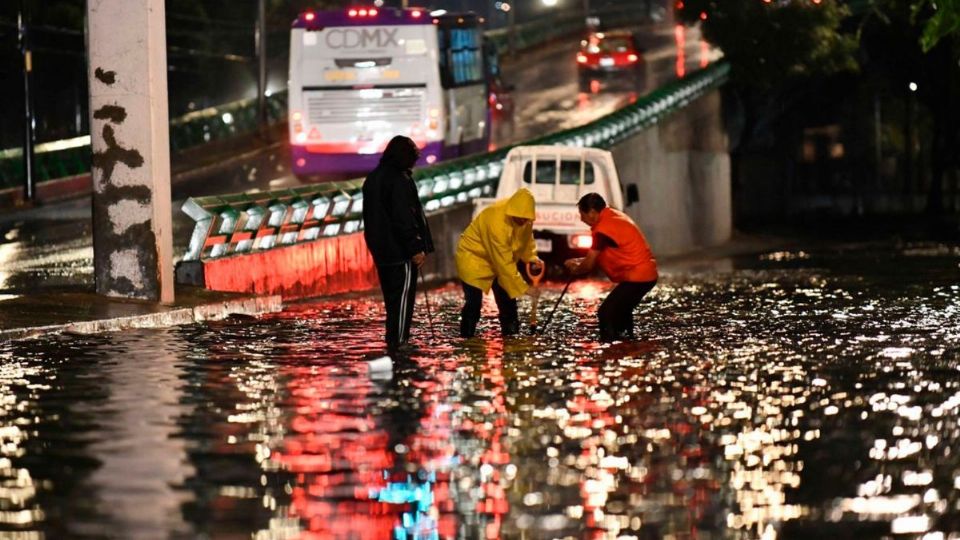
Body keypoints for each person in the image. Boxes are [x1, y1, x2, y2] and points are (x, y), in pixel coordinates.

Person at [362, 135, 435, 350]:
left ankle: (392, 340)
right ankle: (399, 342)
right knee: (403, 300)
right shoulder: (399, 180)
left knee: (392, 301)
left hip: (380, 250)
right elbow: (403, 218)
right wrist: (415, 248)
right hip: (399, 251)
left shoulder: (373, 178)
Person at [563, 193, 657, 341]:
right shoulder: (613, 217)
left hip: (638, 277)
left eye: (582, 214)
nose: (581, 219)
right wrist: (578, 261)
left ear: (593, 213)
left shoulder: (602, 230)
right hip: (645, 275)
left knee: (606, 313)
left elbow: (589, 265)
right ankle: (627, 344)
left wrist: (577, 269)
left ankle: (609, 347)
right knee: (622, 310)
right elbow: (598, 255)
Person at [456, 188, 543, 338]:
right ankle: (467, 339)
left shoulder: (525, 219)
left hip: (499, 262)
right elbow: (504, 264)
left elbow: (526, 240)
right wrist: (525, 289)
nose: (523, 221)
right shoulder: (496, 221)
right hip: (474, 258)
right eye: (520, 218)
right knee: (474, 303)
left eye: (526, 218)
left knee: (508, 302)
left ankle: (511, 339)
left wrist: (532, 258)